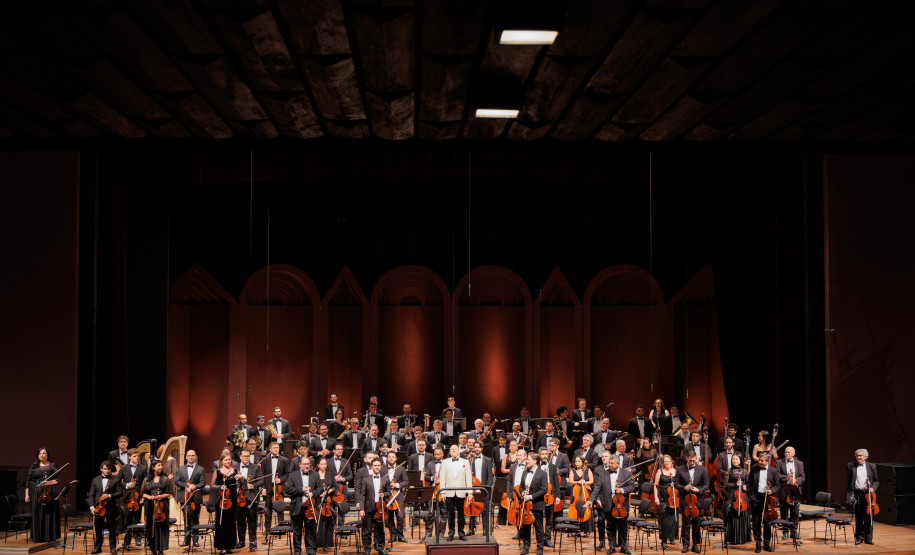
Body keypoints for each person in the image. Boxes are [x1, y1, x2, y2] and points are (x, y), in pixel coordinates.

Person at [586, 451, 636, 554]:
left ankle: (623, 547)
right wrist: (591, 500)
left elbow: (632, 486)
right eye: (609, 463)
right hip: (608, 503)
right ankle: (612, 546)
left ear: (618, 464)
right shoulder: (603, 473)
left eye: (612, 463)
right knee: (610, 526)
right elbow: (597, 488)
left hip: (622, 504)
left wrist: (622, 490)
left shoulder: (626, 473)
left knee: (623, 527)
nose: (609, 465)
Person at [674, 451, 709, 554]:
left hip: (697, 499)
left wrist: (699, 490)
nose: (692, 462)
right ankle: (685, 544)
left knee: (696, 522)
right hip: (684, 498)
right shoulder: (680, 469)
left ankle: (695, 544)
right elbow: (676, 484)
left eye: (694, 461)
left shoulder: (702, 469)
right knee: (685, 522)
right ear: (686, 458)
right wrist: (684, 487)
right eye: (690, 461)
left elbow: (706, 484)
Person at [25, 447, 61, 543]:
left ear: (47, 455)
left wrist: (49, 483)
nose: (42, 455)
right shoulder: (33, 466)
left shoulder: (52, 465)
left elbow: (58, 479)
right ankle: (37, 536)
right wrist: (26, 495)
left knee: (48, 512)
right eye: (40, 453)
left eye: (44, 453)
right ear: (37, 455)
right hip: (34, 492)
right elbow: (28, 481)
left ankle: (48, 536)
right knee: (36, 513)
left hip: (48, 491)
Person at [514, 452, 548, 555]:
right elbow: (521, 486)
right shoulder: (525, 472)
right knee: (526, 527)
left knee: (538, 527)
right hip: (525, 505)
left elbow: (544, 490)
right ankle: (526, 547)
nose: (526, 461)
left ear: (535, 461)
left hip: (537, 504)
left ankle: (540, 548)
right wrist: (522, 492)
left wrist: (531, 496)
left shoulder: (542, 474)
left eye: (528, 459)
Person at [356, 458, 390, 555]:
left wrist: (384, 494)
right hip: (368, 508)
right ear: (371, 466)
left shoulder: (385, 479)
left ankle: (380, 548)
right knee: (367, 530)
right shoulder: (366, 480)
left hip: (380, 508)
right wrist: (362, 509)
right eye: (375, 465)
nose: (377, 467)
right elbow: (362, 496)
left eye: (378, 465)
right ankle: (367, 549)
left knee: (380, 529)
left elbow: (389, 492)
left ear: (381, 466)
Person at [846, 448, 879, 546]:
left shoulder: (872, 466)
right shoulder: (850, 466)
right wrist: (849, 496)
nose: (858, 457)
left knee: (869, 517)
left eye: (860, 455)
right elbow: (849, 483)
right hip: (857, 494)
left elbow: (876, 481)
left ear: (865, 457)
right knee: (859, 517)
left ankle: (868, 538)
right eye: (857, 455)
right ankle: (859, 537)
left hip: (868, 494)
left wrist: (873, 488)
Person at [439, 444, 472, 541]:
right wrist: (442, 492)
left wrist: (470, 492)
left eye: (455, 449)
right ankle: (451, 534)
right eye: (452, 449)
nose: (454, 451)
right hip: (449, 492)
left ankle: (462, 533)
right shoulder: (445, 462)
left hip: (461, 492)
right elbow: (442, 478)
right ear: (449, 452)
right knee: (450, 514)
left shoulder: (465, 462)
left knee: (461, 515)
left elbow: (468, 478)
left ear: (458, 451)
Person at [747, 454, 779, 553]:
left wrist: (771, 490)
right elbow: (749, 485)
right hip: (756, 498)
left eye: (762, 460)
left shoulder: (773, 471)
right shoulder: (754, 469)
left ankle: (766, 544)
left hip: (768, 500)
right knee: (756, 522)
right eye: (759, 460)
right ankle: (758, 543)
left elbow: (777, 486)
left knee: (767, 522)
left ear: (767, 461)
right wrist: (751, 497)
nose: (760, 462)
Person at [286, 456, 317, 555]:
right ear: (300, 465)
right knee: (297, 532)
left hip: (310, 508)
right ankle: (297, 551)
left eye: (308, 464)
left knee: (310, 530)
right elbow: (288, 489)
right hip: (297, 507)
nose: (307, 466)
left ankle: (310, 549)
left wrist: (313, 493)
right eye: (305, 464)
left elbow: (320, 488)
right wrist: (301, 490)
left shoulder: (315, 475)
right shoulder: (293, 475)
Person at [175, 449, 207, 548]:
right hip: (184, 496)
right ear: (186, 457)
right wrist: (186, 486)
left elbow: (202, 483)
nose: (191, 457)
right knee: (186, 519)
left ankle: (195, 540)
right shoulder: (180, 469)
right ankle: (186, 540)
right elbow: (177, 482)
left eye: (193, 455)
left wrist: (194, 486)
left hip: (196, 496)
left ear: (196, 457)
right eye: (189, 455)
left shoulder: (201, 469)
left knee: (195, 518)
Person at [88, 461, 121, 554]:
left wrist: (110, 496)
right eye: (105, 469)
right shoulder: (95, 480)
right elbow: (91, 495)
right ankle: (97, 547)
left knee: (112, 528)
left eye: (109, 469)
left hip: (111, 507)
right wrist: (91, 507)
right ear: (101, 469)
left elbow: (119, 493)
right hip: (98, 507)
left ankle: (113, 547)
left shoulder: (115, 479)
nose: (107, 471)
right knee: (98, 528)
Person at [117, 448, 146, 546]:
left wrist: (143, 496)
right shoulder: (124, 468)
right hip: (127, 496)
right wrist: (126, 485)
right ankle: (127, 538)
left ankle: (138, 538)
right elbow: (117, 481)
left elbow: (144, 483)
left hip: (138, 496)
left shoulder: (143, 468)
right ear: (129, 457)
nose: (137, 457)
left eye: (138, 456)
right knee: (128, 517)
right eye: (134, 456)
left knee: (137, 517)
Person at [142, 459, 172, 555]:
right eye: (158, 465)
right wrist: (149, 497)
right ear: (153, 467)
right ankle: (153, 549)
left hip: (162, 505)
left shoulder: (165, 478)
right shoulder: (147, 479)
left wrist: (162, 496)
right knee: (151, 526)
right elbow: (142, 493)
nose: (161, 467)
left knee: (162, 526)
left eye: (161, 465)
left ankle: (161, 549)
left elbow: (170, 493)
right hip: (150, 505)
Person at [259, 441, 289, 532]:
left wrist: (281, 480)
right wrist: (263, 488)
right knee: (267, 508)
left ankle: (281, 527)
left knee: (280, 508)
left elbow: (288, 474)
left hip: (279, 488)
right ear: (270, 449)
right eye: (275, 447)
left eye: (278, 447)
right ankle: (267, 528)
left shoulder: (284, 460)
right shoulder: (265, 460)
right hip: (268, 487)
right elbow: (262, 476)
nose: (276, 449)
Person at [776, 446, 805, 539]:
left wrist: (795, 480)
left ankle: (794, 531)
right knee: (784, 512)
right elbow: (776, 475)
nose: (786, 454)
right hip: (784, 490)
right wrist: (787, 477)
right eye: (785, 452)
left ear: (793, 454)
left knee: (795, 513)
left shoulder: (799, 463)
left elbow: (803, 477)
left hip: (795, 490)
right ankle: (785, 532)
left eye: (788, 452)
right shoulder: (779, 462)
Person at [213, 453, 239, 555]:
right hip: (221, 499)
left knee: (231, 522)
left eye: (229, 460)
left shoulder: (235, 471)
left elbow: (242, 483)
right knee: (221, 522)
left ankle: (229, 546)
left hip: (232, 499)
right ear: (221, 461)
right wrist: (220, 487)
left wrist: (240, 477)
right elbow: (212, 485)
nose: (227, 462)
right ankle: (222, 547)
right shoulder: (217, 472)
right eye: (225, 460)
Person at [722, 454, 750, 545]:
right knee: (733, 515)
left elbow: (749, 482)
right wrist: (735, 485)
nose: (734, 460)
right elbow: (725, 484)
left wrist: (746, 486)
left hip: (742, 495)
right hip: (733, 494)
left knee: (742, 514)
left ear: (740, 460)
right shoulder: (729, 471)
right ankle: (732, 538)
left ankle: (743, 538)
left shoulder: (745, 471)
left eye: (736, 459)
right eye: (733, 459)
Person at [467, 441, 494, 537]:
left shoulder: (488, 460)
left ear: (482, 448)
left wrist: (487, 488)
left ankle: (485, 530)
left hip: (483, 488)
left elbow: (490, 477)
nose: (477, 449)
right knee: (472, 509)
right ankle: (471, 529)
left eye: (479, 447)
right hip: (473, 487)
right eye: (475, 447)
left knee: (484, 510)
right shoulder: (469, 459)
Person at [237, 449, 262, 551]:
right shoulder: (235, 467)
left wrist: (251, 485)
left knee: (252, 521)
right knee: (240, 521)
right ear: (240, 457)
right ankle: (241, 541)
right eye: (244, 456)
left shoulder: (255, 467)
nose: (246, 458)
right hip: (239, 498)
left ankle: (252, 542)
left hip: (251, 498)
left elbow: (261, 480)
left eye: (247, 456)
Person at [652, 454, 678, 550]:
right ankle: (664, 538)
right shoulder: (660, 471)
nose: (667, 463)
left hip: (673, 497)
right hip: (663, 497)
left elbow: (679, 484)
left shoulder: (675, 471)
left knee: (672, 517)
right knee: (664, 518)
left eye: (669, 461)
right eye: (666, 461)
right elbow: (656, 485)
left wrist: (674, 484)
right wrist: (656, 497)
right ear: (663, 463)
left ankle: (671, 537)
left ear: (672, 462)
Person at [383, 451, 408, 543]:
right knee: (389, 517)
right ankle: (392, 535)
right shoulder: (383, 469)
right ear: (387, 458)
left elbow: (406, 482)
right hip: (388, 496)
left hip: (399, 495)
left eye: (393, 457)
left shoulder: (401, 468)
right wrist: (388, 485)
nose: (391, 458)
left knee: (400, 516)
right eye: (389, 457)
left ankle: (400, 535)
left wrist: (397, 485)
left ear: (396, 458)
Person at [312, 457, 337, 549]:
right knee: (319, 522)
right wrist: (319, 493)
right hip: (318, 501)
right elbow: (312, 488)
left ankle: (328, 542)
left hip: (328, 501)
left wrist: (329, 491)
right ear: (318, 465)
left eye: (325, 464)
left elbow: (335, 486)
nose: (324, 466)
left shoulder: (330, 475)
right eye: (322, 464)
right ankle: (319, 542)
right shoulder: (314, 475)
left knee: (329, 522)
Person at [537, 447, 559, 547]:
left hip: (550, 495)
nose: (545, 456)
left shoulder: (553, 467)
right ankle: (540, 538)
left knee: (549, 519)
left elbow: (556, 483)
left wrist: (557, 495)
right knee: (539, 518)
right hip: (539, 495)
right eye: (543, 454)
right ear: (539, 455)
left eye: (546, 454)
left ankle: (547, 538)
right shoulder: (536, 466)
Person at [568, 456, 594, 534]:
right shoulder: (572, 471)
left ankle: (586, 530)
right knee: (575, 508)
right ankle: (575, 529)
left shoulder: (588, 470)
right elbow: (571, 481)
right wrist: (578, 482)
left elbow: (591, 481)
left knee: (586, 507)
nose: (577, 463)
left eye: (579, 461)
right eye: (576, 461)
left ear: (583, 462)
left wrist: (585, 483)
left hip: (585, 492)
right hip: (575, 492)